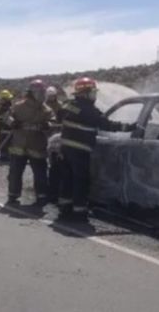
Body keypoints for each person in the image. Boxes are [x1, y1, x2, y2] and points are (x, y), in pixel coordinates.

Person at [58, 77, 136, 222]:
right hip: (80, 151)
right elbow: (106, 125)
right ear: (85, 94)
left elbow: (61, 113)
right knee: (81, 181)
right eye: (92, 93)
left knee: (67, 179)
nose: (94, 96)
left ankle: (64, 208)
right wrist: (129, 127)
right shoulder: (89, 111)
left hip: (65, 149)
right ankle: (79, 212)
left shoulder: (69, 105)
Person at [5, 80, 54, 206]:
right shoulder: (18, 106)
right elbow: (6, 118)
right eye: (40, 92)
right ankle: (13, 195)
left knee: (40, 173)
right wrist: (13, 122)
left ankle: (41, 196)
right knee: (15, 172)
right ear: (32, 93)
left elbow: (53, 123)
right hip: (19, 145)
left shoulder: (46, 110)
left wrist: (47, 125)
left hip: (37, 145)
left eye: (44, 92)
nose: (42, 95)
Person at [45, 86, 65, 203]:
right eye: (49, 96)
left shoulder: (60, 105)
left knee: (55, 163)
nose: (51, 98)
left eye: (52, 96)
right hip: (48, 135)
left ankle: (54, 190)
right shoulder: (44, 106)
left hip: (58, 136)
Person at [0, 89, 14, 163]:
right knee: (4, 143)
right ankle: (6, 156)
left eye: (1, 99)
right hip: (4, 129)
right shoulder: (5, 107)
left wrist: (0, 126)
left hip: (6, 129)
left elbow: (6, 120)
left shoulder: (6, 108)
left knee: (4, 143)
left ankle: (5, 157)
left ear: (4, 99)